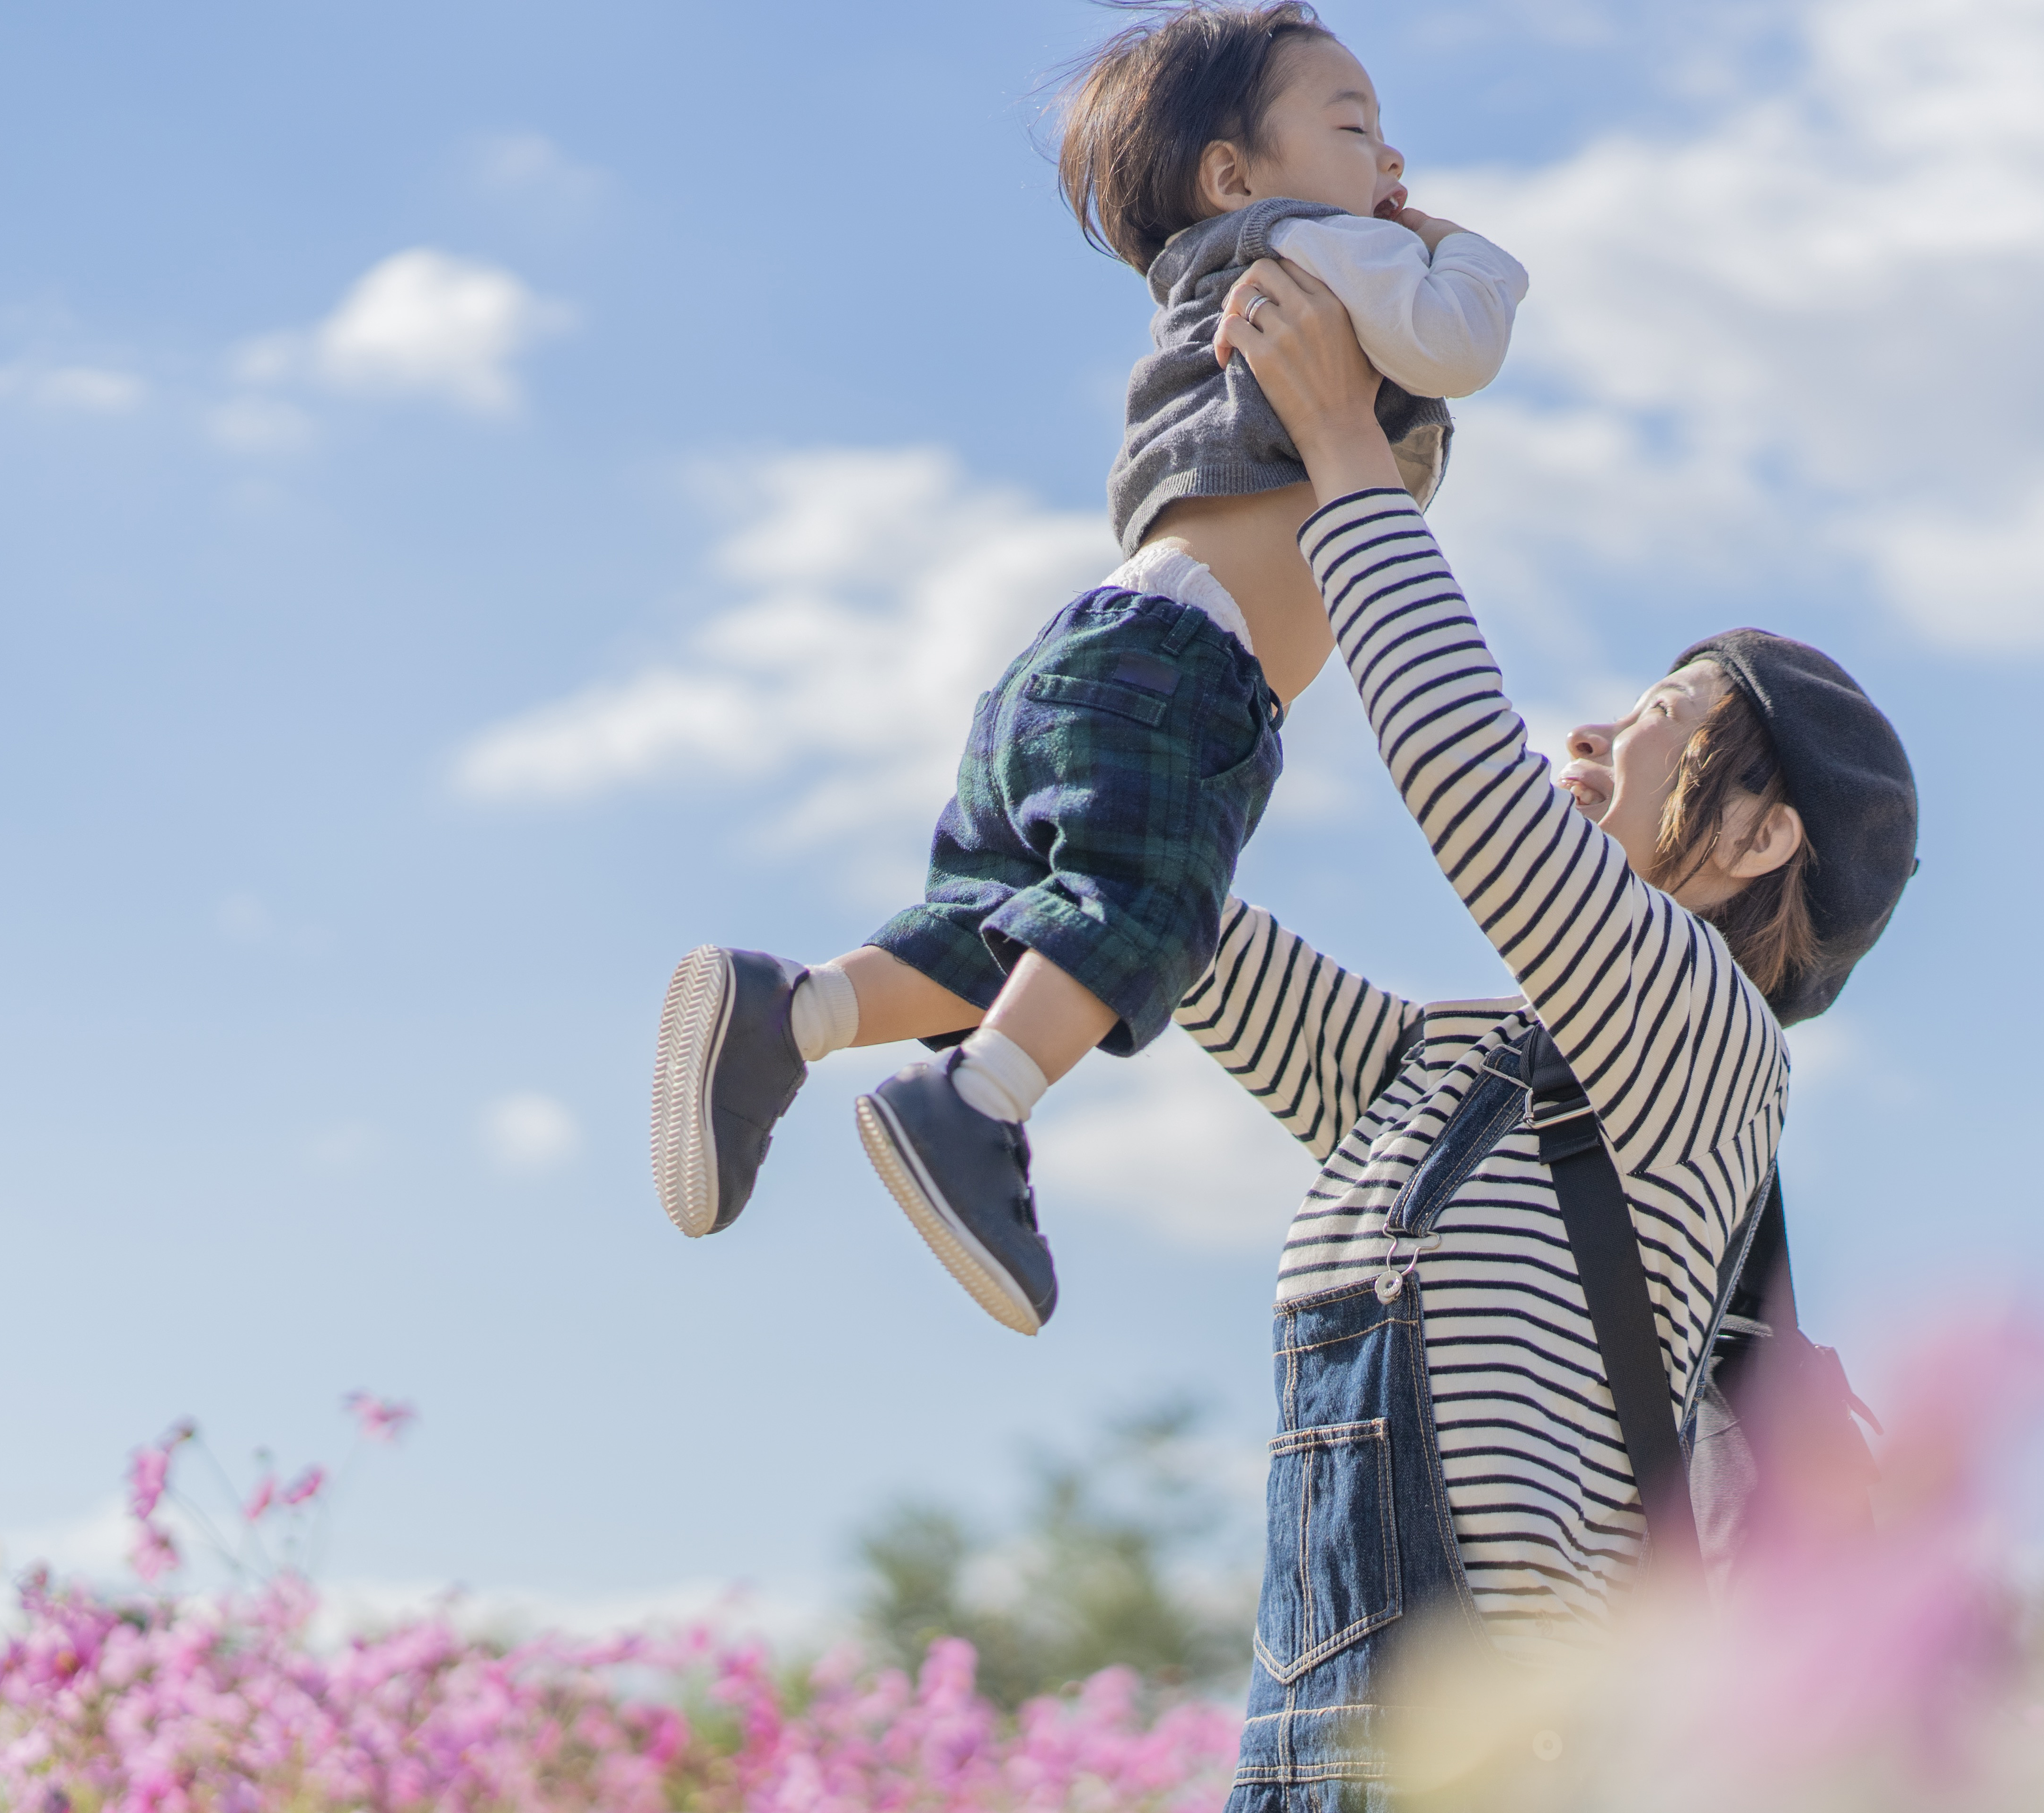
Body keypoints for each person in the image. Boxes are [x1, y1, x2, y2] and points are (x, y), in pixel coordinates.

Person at [1176, 254, 1919, 1813]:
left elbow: (1464, 775)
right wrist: (1121, 698)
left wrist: (1348, 452)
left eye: (1659, 718)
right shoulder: (1456, 1083)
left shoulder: (1703, 1040)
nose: (1588, 739)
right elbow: (1175, 936)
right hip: (1308, 1798)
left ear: (1759, 835)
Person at [646, 1, 1529, 1339]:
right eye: (1355, 128)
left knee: (1008, 921)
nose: (1391, 160)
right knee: (1145, 902)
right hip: (1187, 666)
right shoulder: (1321, 245)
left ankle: (796, 1012)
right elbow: (1459, 338)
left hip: (1092, 658)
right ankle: (977, 1101)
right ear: (1235, 177)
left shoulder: (1229, 267)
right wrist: (1463, 249)